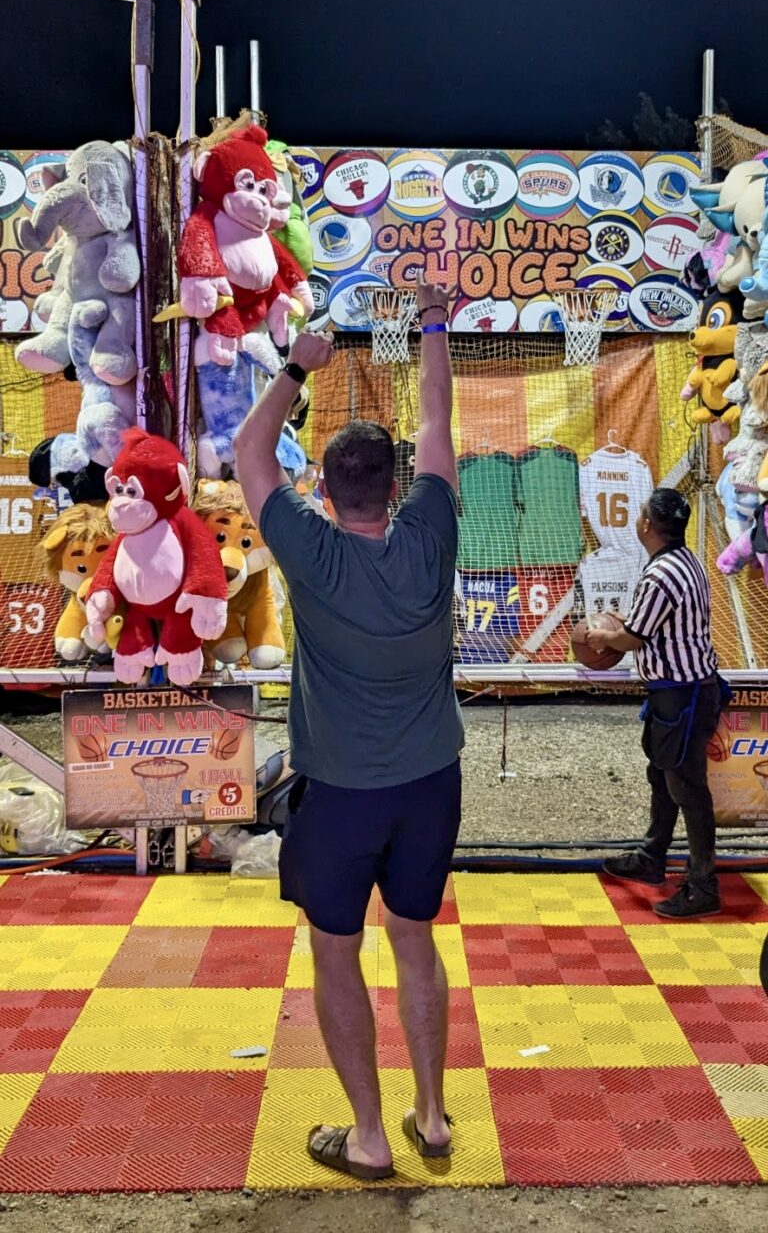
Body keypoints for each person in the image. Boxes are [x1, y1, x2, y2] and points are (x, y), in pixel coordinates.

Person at [234, 279, 463, 1182]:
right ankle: (431, 1119)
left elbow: (250, 449)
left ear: (322, 491)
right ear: (399, 487)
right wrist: (435, 322)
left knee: (337, 954)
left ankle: (370, 1137)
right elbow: (438, 422)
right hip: (430, 784)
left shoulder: (309, 547)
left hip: (339, 796)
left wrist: (298, 366)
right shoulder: (431, 533)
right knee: (415, 938)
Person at [587, 486, 727, 919]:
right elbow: (651, 625)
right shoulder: (685, 560)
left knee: (687, 787)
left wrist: (599, 636)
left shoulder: (661, 574)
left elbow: (632, 639)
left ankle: (704, 886)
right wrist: (623, 627)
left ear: (647, 524)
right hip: (685, 690)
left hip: (682, 693)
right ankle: (652, 856)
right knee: (663, 775)